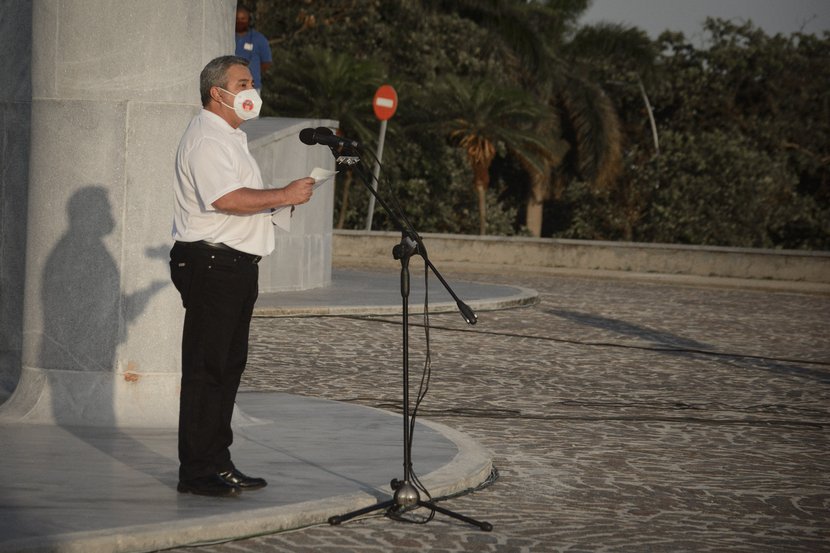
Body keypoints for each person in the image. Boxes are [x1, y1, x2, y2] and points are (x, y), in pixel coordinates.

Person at [170, 55, 315, 497]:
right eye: (243, 83)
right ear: (218, 92)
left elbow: (240, 201)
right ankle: (197, 472)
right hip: (212, 263)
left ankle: (218, 461)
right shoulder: (207, 138)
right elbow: (226, 199)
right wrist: (282, 193)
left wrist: (279, 204)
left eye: (252, 82)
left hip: (233, 266)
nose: (252, 90)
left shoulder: (231, 137)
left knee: (227, 368)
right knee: (206, 369)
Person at [235, 4, 272, 92]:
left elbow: (266, 63)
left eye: (243, 19)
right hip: (231, 87)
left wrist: (253, 72)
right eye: (237, 19)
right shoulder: (227, 37)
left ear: (249, 20)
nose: (240, 22)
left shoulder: (259, 39)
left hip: (252, 87)